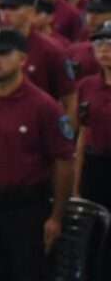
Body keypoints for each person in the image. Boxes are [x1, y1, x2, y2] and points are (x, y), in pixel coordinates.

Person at [0, 28, 75, 281]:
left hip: (26, 208)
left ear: (22, 59)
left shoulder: (44, 106)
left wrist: (56, 217)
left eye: (2, 53)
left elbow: (63, 161)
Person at [74, 20, 111, 275]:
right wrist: (76, 186)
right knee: (94, 240)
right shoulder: (86, 85)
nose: (105, 49)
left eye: (110, 44)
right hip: (94, 168)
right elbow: (81, 134)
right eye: (99, 43)